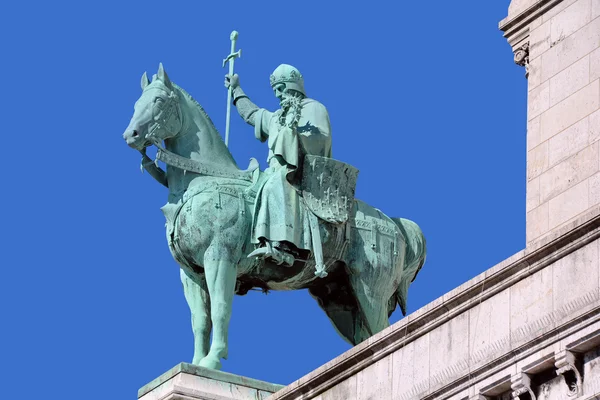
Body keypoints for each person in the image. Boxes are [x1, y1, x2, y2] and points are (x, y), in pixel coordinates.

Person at [225, 64, 332, 266]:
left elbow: (321, 139)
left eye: (280, 88)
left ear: (294, 87)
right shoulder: (276, 117)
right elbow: (252, 114)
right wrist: (236, 90)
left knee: (275, 183)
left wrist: (293, 135)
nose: (277, 95)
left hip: (301, 173)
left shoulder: (313, 108)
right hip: (276, 170)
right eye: (274, 90)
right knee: (251, 186)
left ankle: (283, 247)